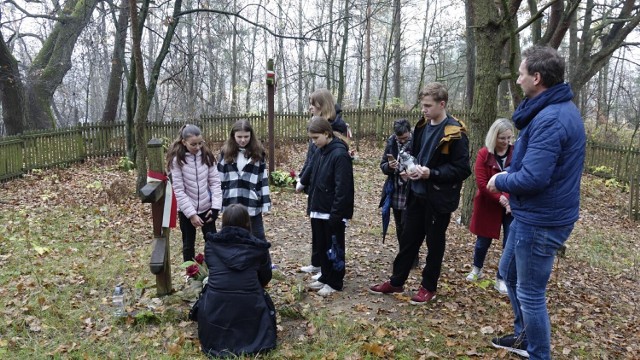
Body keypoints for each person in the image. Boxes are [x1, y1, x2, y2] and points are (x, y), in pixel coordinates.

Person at [487, 45, 586, 359]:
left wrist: (500, 179)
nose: (517, 80)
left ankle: (538, 353)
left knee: (530, 291)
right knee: (509, 273)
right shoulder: (551, 110)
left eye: (521, 74)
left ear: (537, 77)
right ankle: (523, 338)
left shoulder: (552, 119)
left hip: (542, 220)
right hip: (533, 214)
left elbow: (533, 178)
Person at [368, 82, 471, 305]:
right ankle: (397, 281)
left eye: (428, 105)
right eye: (422, 105)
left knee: (434, 244)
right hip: (415, 194)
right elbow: (411, 151)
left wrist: (430, 173)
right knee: (408, 240)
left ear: (441, 104)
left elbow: (462, 169)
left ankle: (428, 287)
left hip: (438, 199)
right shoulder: (422, 126)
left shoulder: (455, 133)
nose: (423, 109)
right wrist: (408, 168)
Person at [198, 204, 276, 357]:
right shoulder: (258, 247)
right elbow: (266, 277)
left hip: (215, 309)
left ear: (224, 222)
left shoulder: (211, 245)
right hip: (250, 307)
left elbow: (214, 270)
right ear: (248, 223)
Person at [297, 116, 354, 296]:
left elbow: (343, 188)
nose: (313, 142)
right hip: (319, 208)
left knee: (334, 247)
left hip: (331, 212)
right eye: (311, 139)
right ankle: (325, 276)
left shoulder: (339, 155)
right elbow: (313, 176)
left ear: (326, 133)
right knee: (321, 246)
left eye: (315, 138)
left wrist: (336, 214)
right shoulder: (321, 151)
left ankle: (335, 281)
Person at [298, 88, 349, 275]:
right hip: (316, 184)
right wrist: (303, 178)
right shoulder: (316, 129)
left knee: (330, 234)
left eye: (314, 104)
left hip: (328, 187)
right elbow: (311, 157)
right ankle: (319, 263)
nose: (311, 107)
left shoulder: (335, 129)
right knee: (318, 229)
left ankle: (329, 271)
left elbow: (341, 179)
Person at [466, 118, 514, 295]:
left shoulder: (516, 153)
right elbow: (481, 183)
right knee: (482, 242)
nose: (506, 142)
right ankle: (476, 268)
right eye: (502, 138)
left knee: (509, 244)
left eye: (509, 138)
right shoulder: (483, 154)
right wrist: (500, 198)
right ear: (494, 136)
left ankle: (501, 278)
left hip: (511, 206)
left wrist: (508, 199)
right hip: (489, 204)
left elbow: (519, 178)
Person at [166, 124, 222, 263]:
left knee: (212, 241)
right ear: (184, 142)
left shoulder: (207, 157)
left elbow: (215, 182)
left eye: (200, 143)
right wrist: (191, 214)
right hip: (186, 210)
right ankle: (189, 273)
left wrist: (215, 207)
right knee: (188, 244)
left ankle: (213, 270)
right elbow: (178, 189)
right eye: (193, 144)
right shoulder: (177, 160)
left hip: (207, 207)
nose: (197, 147)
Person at [217, 119, 271, 240]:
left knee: (258, 237)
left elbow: (263, 180)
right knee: (230, 239)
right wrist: (217, 203)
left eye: (246, 136)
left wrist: (265, 203)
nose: (242, 140)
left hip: (252, 203)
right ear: (233, 136)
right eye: (239, 136)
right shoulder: (225, 153)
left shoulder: (258, 153)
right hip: (231, 204)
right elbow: (218, 179)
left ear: (251, 136)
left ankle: (262, 259)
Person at [379, 118, 419, 267]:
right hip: (395, 189)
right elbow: (382, 165)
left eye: (404, 138)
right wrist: (389, 166)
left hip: (412, 190)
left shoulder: (417, 141)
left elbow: (422, 163)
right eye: (399, 138)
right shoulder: (391, 142)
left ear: (409, 132)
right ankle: (404, 254)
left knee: (409, 225)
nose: (401, 141)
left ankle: (412, 257)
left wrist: (411, 173)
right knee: (399, 225)